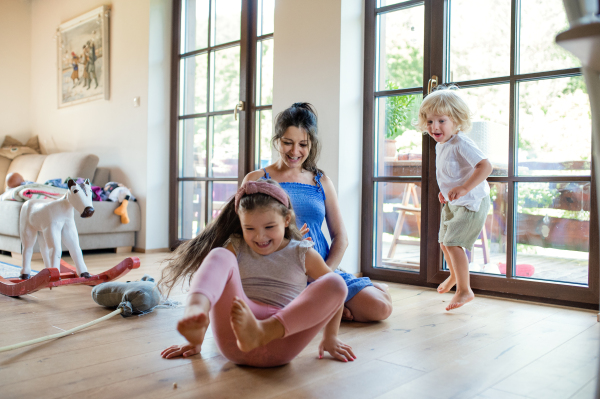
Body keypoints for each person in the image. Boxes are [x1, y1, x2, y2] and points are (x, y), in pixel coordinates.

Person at [159, 180, 355, 367]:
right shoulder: (236, 246)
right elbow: (215, 284)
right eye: (249, 228)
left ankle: (263, 331)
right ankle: (195, 310)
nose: (260, 236)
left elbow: (333, 296)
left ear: (286, 219)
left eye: (269, 227)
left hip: (283, 341)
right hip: (234, 341)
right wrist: (196, 336)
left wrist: (331, 337)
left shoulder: (303, 252)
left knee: (336, 282)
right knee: (219, 254)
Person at [243, 103, 393, 322]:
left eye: (302, 144)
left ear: (311, 144)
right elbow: (241, 230)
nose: (295, 151)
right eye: (288, 143)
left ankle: (360, 293)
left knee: (380, 309)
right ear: (277, 141)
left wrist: (326, 274)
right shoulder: (256, 179)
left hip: (322, 268)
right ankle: (330, 307)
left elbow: (340, 237)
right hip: (278, 272)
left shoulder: (321, 181)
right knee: (283, 313)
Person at [416, 86, 492, 311]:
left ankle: (464, 290)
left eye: (441, 120)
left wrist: (465, 188)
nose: (434, 127)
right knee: (443, 241)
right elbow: (450, 172)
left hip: (472, 202)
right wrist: (446, 189)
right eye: (429, 122)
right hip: (453, 201)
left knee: (454, 243)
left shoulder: (462, 143)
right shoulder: (442, 144)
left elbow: (485, 166)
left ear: (456, 120)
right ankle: (454, 276)